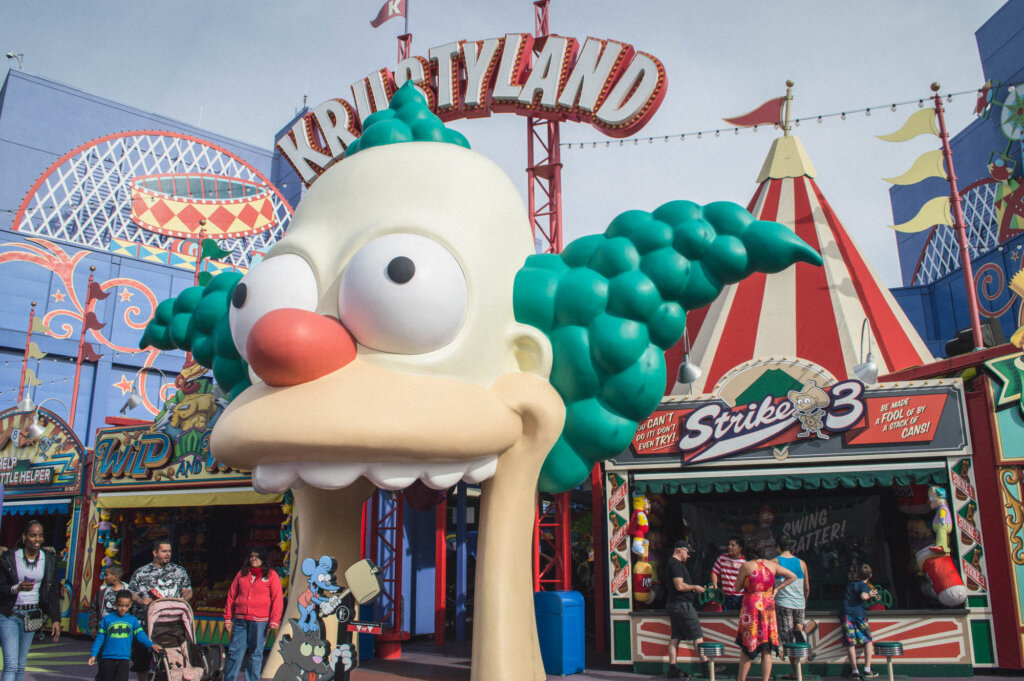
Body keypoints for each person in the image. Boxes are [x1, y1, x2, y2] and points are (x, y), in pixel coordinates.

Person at [0, 519, 62, 681]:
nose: (37, 539)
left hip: (32, 614)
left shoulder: (48, 559)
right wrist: (17, 588)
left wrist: (56, 618)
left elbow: (53, 590)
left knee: (21, 666)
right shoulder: (10, 557)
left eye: (40, 536)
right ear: (24, 537)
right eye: (33, 535)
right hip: (10, 614)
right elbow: (1, 587)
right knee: (11, 665)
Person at [128, 539, 192, 681]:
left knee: (171, 660)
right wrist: (140, 600)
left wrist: (182, 600)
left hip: (171, 625)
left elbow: (188, 590)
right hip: (144, 623)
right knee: (141, 660)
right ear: (155, 553)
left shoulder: (179, 571)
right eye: (164, 551)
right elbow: (131, 593)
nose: (167, 554)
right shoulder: (141, 572)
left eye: (169, 551)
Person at [734, 540, 797, 681]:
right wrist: (776, 590)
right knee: (766, 647)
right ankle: (766, 679)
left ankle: (741, 679)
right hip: (768, 608)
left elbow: (736, 588)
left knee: (747, 647)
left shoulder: (746, 566)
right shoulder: (772, 565)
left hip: (751, 609)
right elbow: (792, 576)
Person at [223, 547, 284, 681]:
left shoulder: (271, 575)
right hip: (240, 620)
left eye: (257, 556)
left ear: (263, 559)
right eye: (251, 556)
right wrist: (227, 618)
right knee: (234, 652)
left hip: (260, 621)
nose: (253, 559)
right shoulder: (242, 574)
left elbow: (277, 598)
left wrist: (275, 620)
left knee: (255, 654)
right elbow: (231, 595)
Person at [665, 540, 724, 679]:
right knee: (697, 635)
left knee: (676, 637)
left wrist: (693, 590)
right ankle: (706, 668)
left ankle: (672, 668)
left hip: (675, 604)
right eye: (687, 552)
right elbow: (679, 586)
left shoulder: (674, 564)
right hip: (682, 605)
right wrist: (694, 588)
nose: (689, 556)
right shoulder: (675, 564)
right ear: (680, 550)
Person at [89, 590, 163, 681]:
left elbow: (141, 635)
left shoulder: (132, 620)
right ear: (115, 603)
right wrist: (93, 654)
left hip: (123, 659)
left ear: (131, 605)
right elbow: (100, 638)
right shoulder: (107, 619)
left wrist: (151, 645)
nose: (123, 608)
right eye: (120, 605)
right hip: (107, 659)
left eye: (126, 606)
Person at [772, 535, 817, 677]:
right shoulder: (801, 563)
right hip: (799, 603)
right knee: (798, 626)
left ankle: (796, 672)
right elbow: (807, 587)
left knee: (787, 639)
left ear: (778, 547)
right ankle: (799, 627)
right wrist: (803, 600)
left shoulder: (775, 562)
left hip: (783, 603)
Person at [841, 564, 879, 678]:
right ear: (870, 576)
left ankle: (854, 671)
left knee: (850, 643)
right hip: (859, 615)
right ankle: (867, 669)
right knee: (867, 641)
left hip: (846, 615)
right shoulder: (865, 586)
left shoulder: (850, 585)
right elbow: (863, 596)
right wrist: (869, 594)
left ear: (857, 574)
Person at [90, 565, 127, 636]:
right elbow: (94, 609)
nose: (104, 578)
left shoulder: (127, 590)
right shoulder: (102, 590)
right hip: (103, 628)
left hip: (120, 629)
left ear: (115, 578)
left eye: (106, 575)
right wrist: (93, 626)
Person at [710, 537, 745, 610]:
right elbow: (714, 572)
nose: (729, 547)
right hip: (725, 596)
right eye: (729, 545)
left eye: (733, 545)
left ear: (740, 548)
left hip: (741, 596)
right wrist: (714, 584)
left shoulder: (745, 561)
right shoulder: (722, 558)